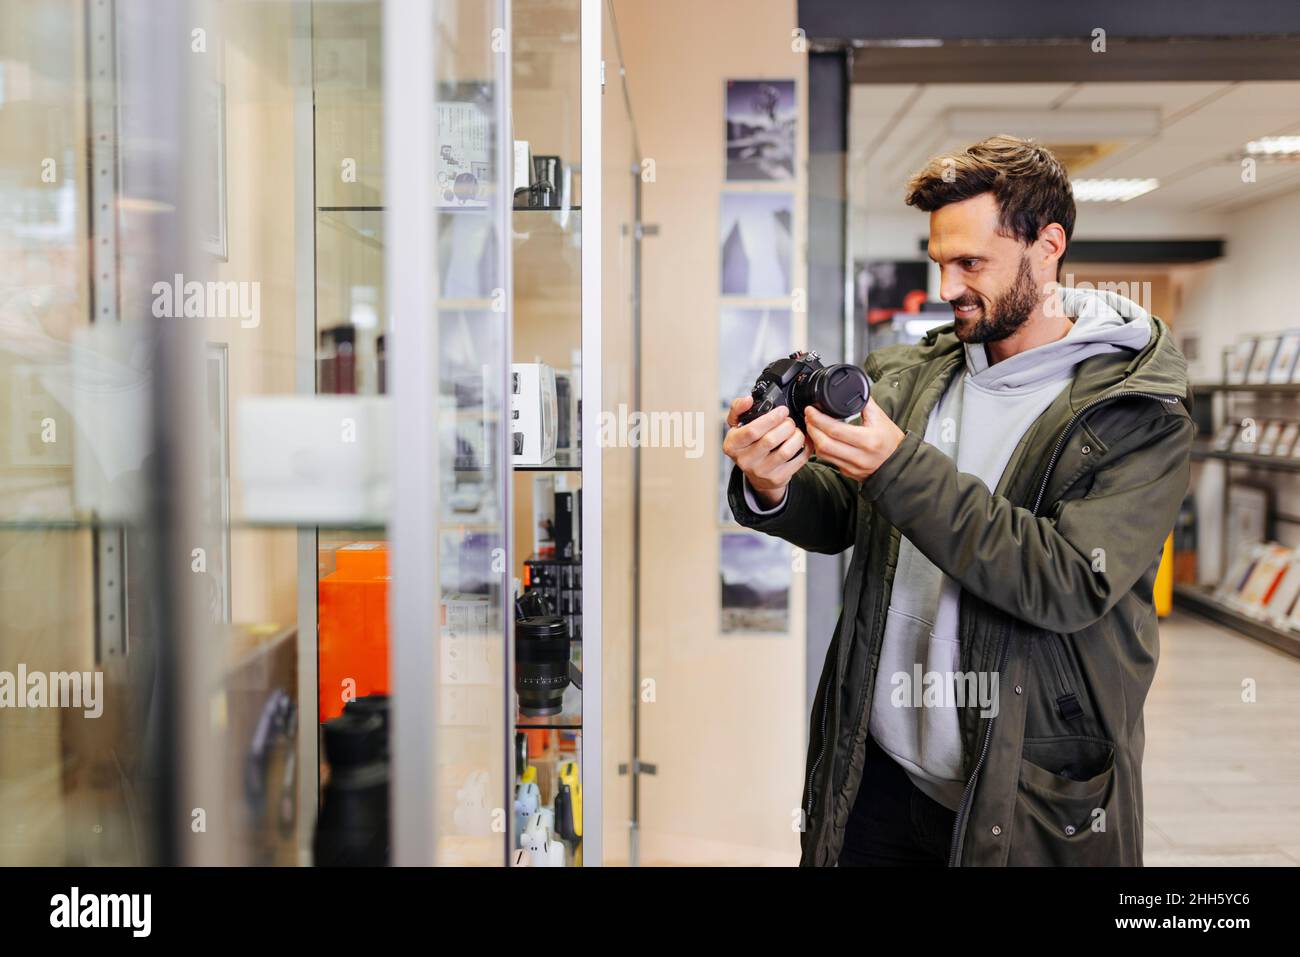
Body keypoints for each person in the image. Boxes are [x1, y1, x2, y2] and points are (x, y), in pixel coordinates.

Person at [723, 135, 1192, 866]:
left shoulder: (1135, 414)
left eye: (970, 262)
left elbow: (1068, 579)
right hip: (873, 775)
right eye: (940, 260)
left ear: (1047, 246)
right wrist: (771, 484)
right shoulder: (913, 375)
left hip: (1021, 798)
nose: (946, 286)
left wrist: (899, 465)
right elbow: (851, 513)